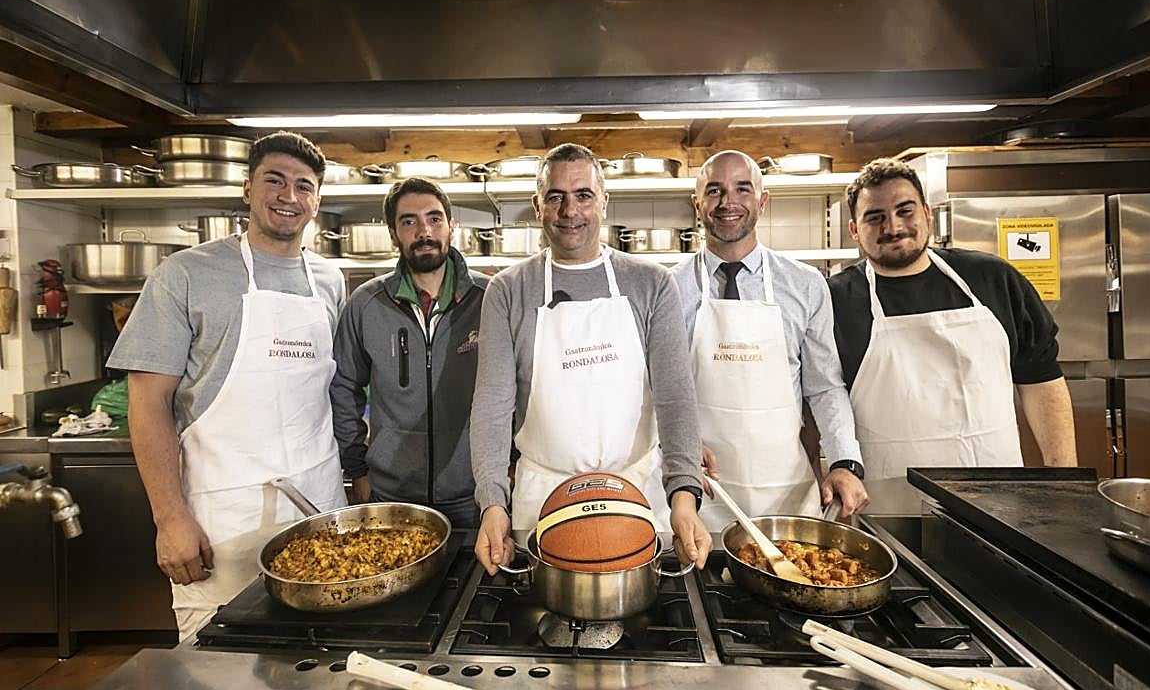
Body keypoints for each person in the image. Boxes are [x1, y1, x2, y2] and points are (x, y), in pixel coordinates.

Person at [108, 131, 347, 639]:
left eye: (303, 186)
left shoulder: (329, 279)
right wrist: (170, 519)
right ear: (247, 190)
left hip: (317, 503)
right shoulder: (186, 274)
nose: (289, 197)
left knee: (321, 653)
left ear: (317, 200)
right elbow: (148, 403)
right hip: (224, 515)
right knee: (217, 665)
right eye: (274, 181)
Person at [470, 143, 711, 574]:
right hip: (543, 501)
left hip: (636, 497)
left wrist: (684, 496)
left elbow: (676, 397)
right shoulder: (508, 290)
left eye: (583, 195)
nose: (569, 211)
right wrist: (492, 503)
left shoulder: (651, 284)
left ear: (604, 201)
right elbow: (491, 406)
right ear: (537, 205)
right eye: (555, 197)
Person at [827, 157, 1078, 512]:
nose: (893, 226)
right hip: (888, 507)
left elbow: (1041, 381)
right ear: (855, 230)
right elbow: (821, 398)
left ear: (927, 213)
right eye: (875, 216)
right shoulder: (836, 300)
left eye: (905, 210)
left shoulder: (994, 279)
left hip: (999, 501)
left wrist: (1065, 484)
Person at [672, 150, 869, 530]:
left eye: (742, 189)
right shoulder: (668, 287)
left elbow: (824, 386)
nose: (728, 202)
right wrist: (676, 449)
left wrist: (845, 462)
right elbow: (656, 392)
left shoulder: (805, 284)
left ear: (762, 201)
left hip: (784, 492)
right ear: (696, 204)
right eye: (714, 190)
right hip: (696, 491)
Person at [330, 177, 488, 527]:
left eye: (434, 219)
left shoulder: (488, 298)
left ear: (451, 226)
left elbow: (518, 387)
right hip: (391, 495)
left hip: (472, 493)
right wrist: (355, 467)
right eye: (409, 221)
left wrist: (508, 463)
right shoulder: (366, 305)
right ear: (393, 233)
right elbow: (343, 388)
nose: (424, 231)